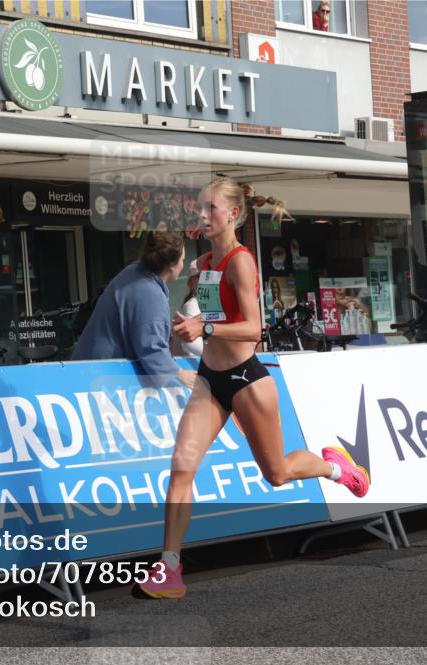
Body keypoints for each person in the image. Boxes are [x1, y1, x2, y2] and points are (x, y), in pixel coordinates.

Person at [138, 178, 370, 600]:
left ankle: (337, 467)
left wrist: (202, 326)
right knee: (181, 465)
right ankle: (170, 566)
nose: (201, 215)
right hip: (210, 379)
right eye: (199, 208)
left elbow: (254, 329)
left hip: (247, 378)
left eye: (209, 208)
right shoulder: (207, 261)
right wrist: (197, 287)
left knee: (277, 474)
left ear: (231, 214)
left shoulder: (242, 262)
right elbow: (211, 306)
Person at [71, 231, 196, 389]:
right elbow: (153, 352)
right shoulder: (151, 294)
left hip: (86, 371)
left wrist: (165, 327)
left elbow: (138, 325)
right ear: (171, 265)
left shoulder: (133, 272)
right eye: (183, 260)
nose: (183, 264)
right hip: (100, 379)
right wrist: (180, 374)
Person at [170, 260, 203, 357]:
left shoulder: (207, 305)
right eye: (199, 276)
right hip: (191, 366)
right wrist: (217, 357)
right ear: (191, 283)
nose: (205, 280)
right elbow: (191, 343)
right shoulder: (192, 305)